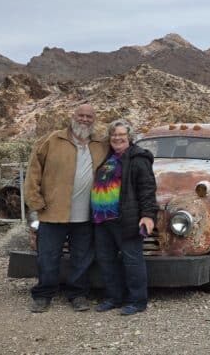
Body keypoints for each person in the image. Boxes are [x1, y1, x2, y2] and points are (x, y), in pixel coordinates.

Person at [24, 103, 108, 313]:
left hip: (86, 215)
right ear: (73, 116)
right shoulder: (53, 140)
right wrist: (34, 201)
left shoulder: (100, 144)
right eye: (81, 115)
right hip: (53, 212)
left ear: (94, 119)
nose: (85, 119)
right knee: (48, 256)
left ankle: (78, 295)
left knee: (82, 257)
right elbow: (33, 171)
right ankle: (43, 295)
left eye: (89, 116)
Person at [91, 119, 158, 316]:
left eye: (121, 134)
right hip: (102, 219)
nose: (117, 138)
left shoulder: (138, 158)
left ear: (129, 137)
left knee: (132, 260)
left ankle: (137, 301)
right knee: (106, 259)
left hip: (125, 218)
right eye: (114, 135)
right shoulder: (108, 158)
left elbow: (147, 189)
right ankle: (113, 297)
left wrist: (148, 215)